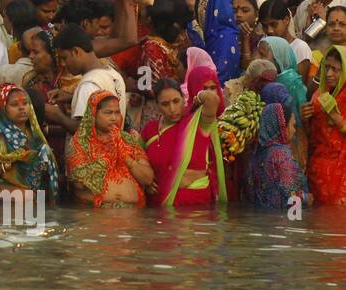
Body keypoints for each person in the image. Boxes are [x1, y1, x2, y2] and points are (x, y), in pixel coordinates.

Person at [141, 69, 224, 207]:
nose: (172, 109)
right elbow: (137, 158)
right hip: (161, 208)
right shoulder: (150, 130)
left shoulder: (197, 123)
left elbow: (212, 99)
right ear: (156, 105)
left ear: (184, 98)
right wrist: (146, 183)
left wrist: (196, 100)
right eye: (165, 104)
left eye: (176, 101)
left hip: (197, 208)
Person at [0, 84, 59, 199]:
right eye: (14, 104)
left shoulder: (36, 136)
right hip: (5, 196)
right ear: (3, 108)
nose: (22, 108)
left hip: (36, 199)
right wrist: (8, 164)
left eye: (25, 103)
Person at [67, 91, 155, 208]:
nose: (114, 118)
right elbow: (79, 183)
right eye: (108, 113)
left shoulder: (127, 140)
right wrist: (109, 156)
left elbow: (148, 179)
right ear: (93, 114)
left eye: (117, 112)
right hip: (95, 216)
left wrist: (126, 158)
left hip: (133, 216)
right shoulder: (80, 142)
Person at [244, 82, 309, 209]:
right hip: (283, 219)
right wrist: (307, 199)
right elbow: (292, 195)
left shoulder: (256, 154)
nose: (294, 130)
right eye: (292, 125)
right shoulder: (281, 155)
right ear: (282, 127)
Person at [307, 44, 346, 206]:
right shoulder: (319, 94)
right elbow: (312, 136)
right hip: (319, 170)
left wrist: (336, 117)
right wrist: (306, 117)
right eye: (327, 67)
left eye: (335, 69)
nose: (329, 74)